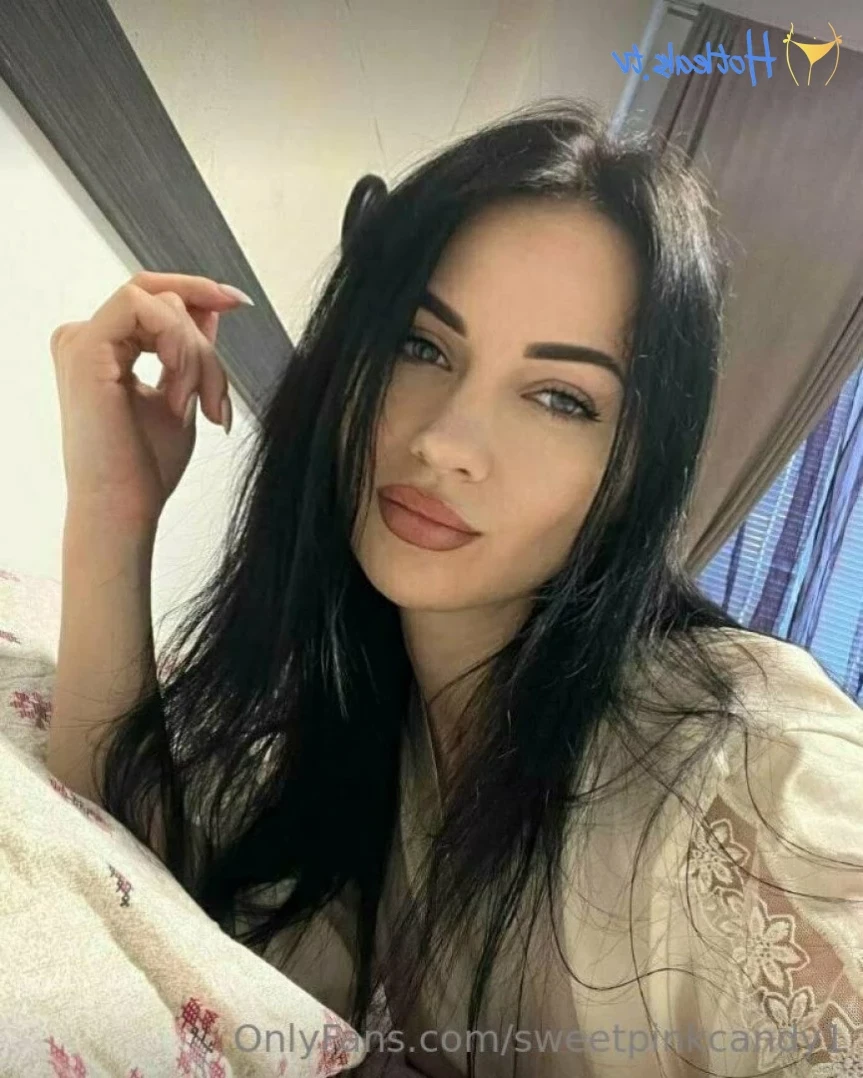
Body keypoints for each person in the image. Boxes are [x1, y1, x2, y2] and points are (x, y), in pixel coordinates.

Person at [47, 99, 863, 1077]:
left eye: (559, 398)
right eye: (421, 346)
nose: (443, 443)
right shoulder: (356, 716)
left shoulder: (742, 770)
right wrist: (113, 507)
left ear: (633, 476)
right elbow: (110, 867)